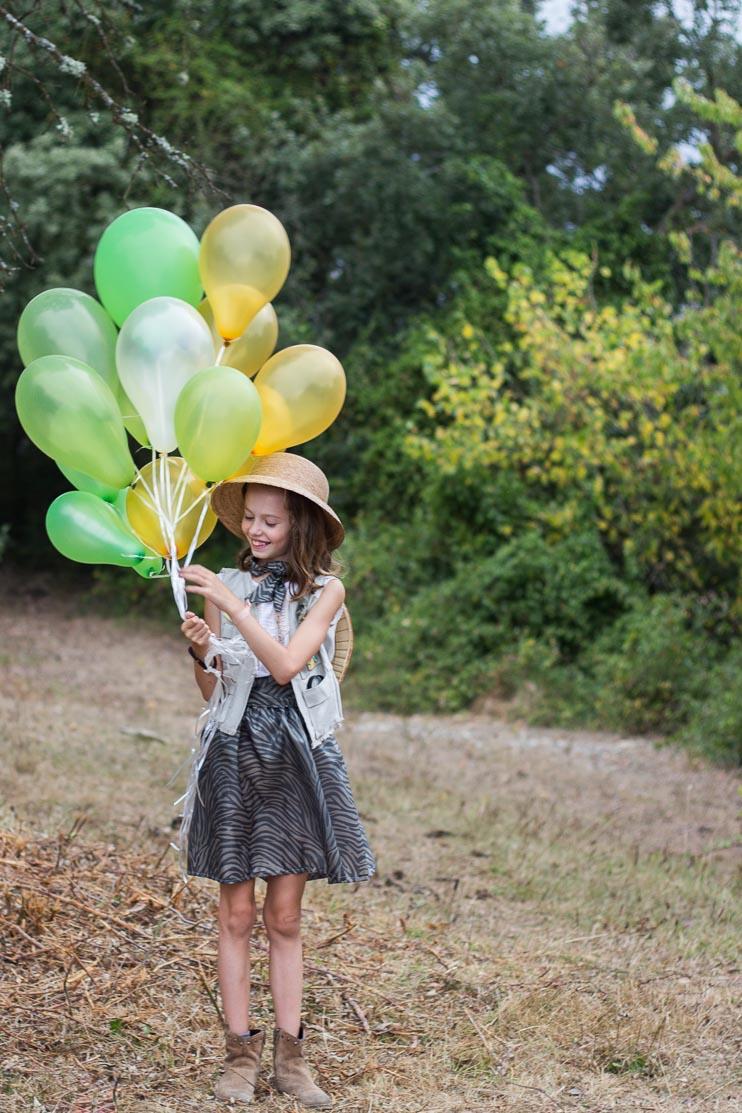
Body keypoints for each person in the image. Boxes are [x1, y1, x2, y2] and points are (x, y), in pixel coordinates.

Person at [178, 451, 375, 1109]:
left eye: (271, 521)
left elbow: (288, 665)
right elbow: (216, 686)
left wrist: (231, 606)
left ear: (300, 525)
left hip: (292, 754)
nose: (257, 531)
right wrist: (203, 649)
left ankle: (293, 1058)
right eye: (252, 519)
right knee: (234, 911)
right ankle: (239, 1054)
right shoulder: (231, 579)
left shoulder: (325, 591)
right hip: (235, 752)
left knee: (283, 914)